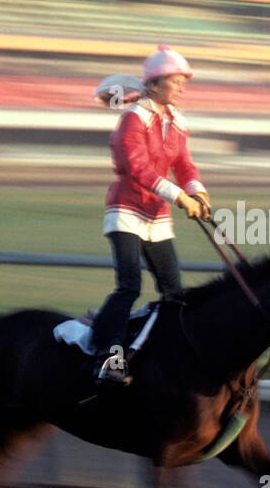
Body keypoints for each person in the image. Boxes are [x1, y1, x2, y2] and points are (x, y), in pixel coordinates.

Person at [90, 45, 211, 386]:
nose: (182, 88)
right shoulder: (133, 118)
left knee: (174, 292)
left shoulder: (178, 121)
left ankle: (166, 354)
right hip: (126, 210)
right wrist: (179, 197)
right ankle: (108, 357)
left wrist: (197, 189)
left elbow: (184, 164)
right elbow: (137, 167)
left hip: (156, 215)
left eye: (183, 81)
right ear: (155, 84)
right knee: (129, 286)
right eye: (176, 81)